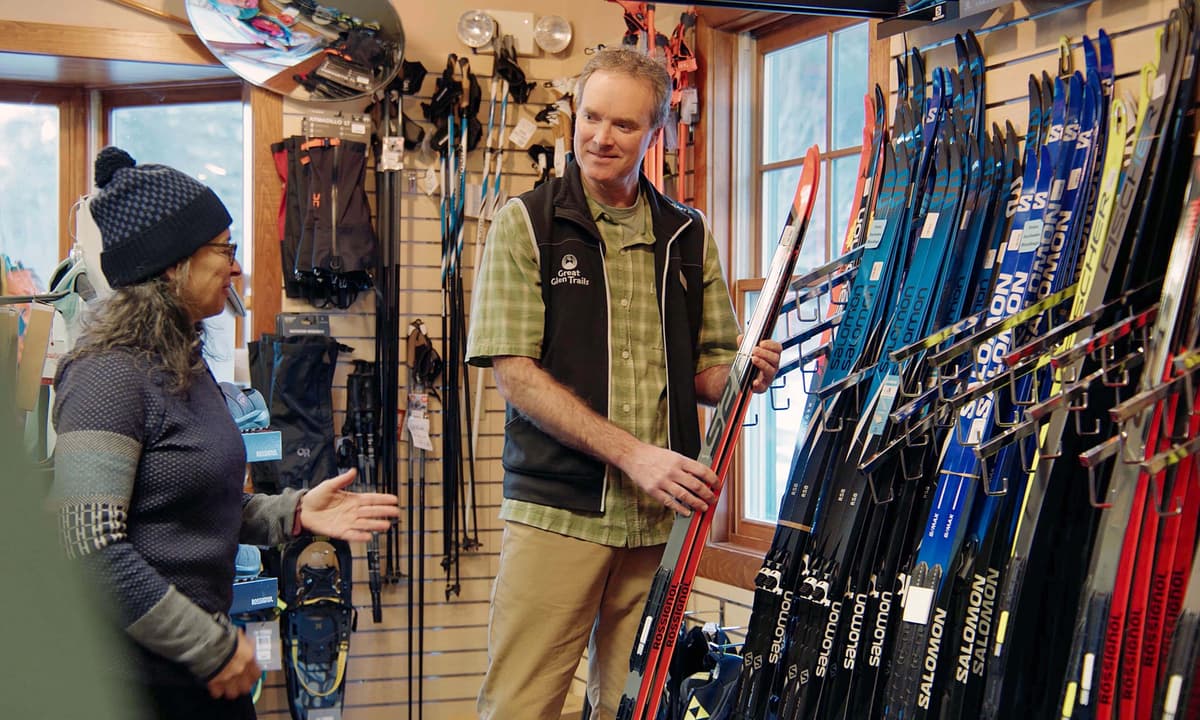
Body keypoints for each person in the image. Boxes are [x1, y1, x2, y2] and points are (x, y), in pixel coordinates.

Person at [466, 48, 782, 720]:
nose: (600, 137)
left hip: (658, 521)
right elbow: (517, 377)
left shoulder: (687, 234)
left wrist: (744, 373)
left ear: (655, 133)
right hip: (561, 513)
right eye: (590, 117)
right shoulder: (528, 225)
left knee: (632, 706)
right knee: (522, 706)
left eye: (624, 125)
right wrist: (635, 455)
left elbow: (707, 371)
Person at [49, 146, 400, 720]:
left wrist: (292, 513)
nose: (236, 269)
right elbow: (89, 546)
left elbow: (189, 507)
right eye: (224, 251)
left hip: (195, 669)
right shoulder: (107, 374)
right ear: (172, 265)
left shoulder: (179, 362)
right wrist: (209, 647)